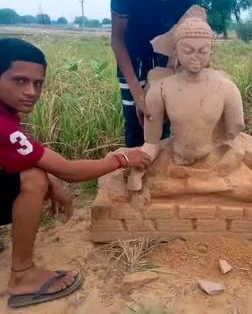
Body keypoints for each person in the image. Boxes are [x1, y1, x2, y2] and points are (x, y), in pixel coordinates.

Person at [0, 38, 151, 309]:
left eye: (38, 83)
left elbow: (28, 152)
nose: (31, 91)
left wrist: (52, 178)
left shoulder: (6, 113)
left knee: (37, 172)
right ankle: (22, 276)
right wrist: (123, 158)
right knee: (33, 178)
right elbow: (68, 170)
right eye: (19, 81)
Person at [110, 0, 200, 147]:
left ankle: (164, 177)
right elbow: (118, 39)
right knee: (135, 120)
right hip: (131, 55)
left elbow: (179, 41)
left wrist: (164, 78)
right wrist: (139, 95)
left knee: (165, 120)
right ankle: (134, 174)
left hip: (168, 55)